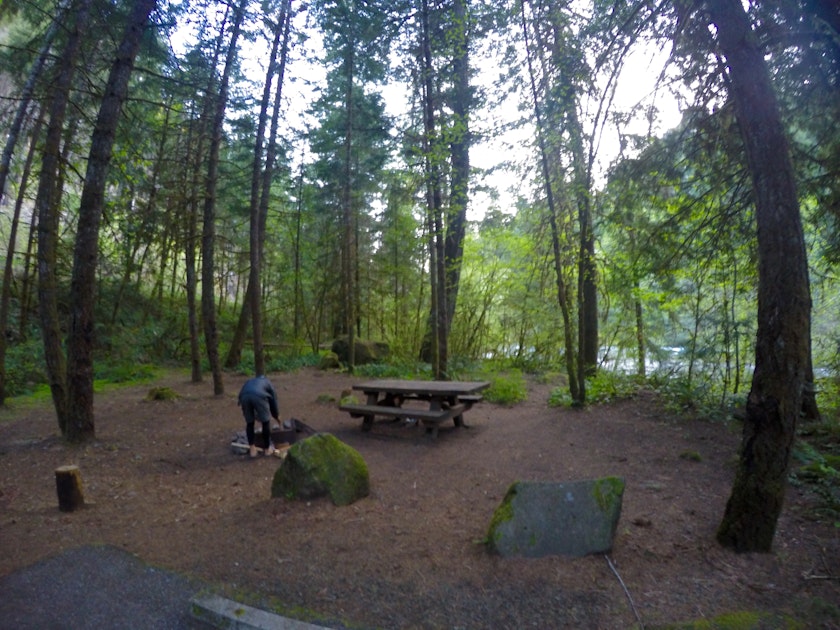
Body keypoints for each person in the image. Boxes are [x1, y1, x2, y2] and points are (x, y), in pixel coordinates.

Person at [238, 375, 280, 458]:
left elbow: (242, 395)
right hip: (259, 396)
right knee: (266, 422)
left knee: (249, 423)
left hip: (244, 397)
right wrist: (276, 416)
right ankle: (267, 449)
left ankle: (252, 450)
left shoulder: (251, 381)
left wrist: (254, 415)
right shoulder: (268, 383)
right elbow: (273, 402)